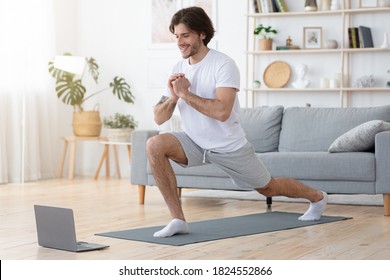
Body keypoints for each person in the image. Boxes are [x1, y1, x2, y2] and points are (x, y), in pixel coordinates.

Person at [146, 6, 327, 238]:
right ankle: (178, 220)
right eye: (177, 36)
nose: (180, 42)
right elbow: (159, 117)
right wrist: (174, 95)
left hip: (228, 147)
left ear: (202, 34)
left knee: (268, 187)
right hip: (194, 142)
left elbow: (222, 111)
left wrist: (185, 94)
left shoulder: (223, 64)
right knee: (154, 144)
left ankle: (317, 197)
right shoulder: (179, 68)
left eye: (186, 35)